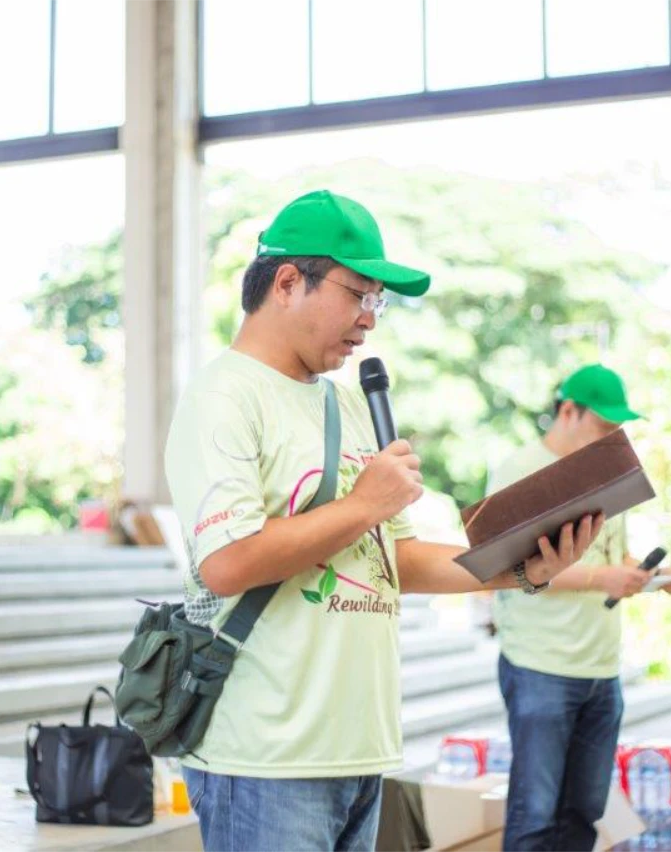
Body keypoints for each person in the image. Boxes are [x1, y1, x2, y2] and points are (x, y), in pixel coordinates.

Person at [164, 189, 604, 852]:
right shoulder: (223, 395)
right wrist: (364, 503)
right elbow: (226, 563)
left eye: (379, 300)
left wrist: (523, 567)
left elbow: (394, 560)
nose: (370, 319)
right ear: (289, 282)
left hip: (356, 750)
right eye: (359, 293)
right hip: (266, 758)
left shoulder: (346, 404)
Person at [486, 364, 671, 852]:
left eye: (616, 432)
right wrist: (604, 577)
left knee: (585, 812)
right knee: (535, 814)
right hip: (540, 666)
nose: (609, 440)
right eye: (603, 428)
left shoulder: (603, 476)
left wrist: (652, 578)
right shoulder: (519, 469)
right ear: (568, 411)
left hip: (601, 670)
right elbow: (509, 568)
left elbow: (610, 558)